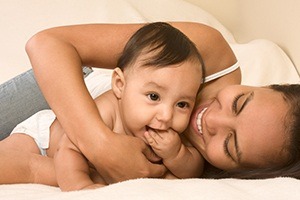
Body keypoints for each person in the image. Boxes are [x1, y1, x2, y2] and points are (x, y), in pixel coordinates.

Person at [0, 22, 205, 191]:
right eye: (153, 96)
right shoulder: (107, 110)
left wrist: (176, 154)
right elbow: (68, 148)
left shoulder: (169, 134)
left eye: (182, 104)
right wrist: (81, 186)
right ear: (120, 85)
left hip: (77, 163)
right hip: (44, 140)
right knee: (12, 164)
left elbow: (194, 168)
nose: (166, 115)